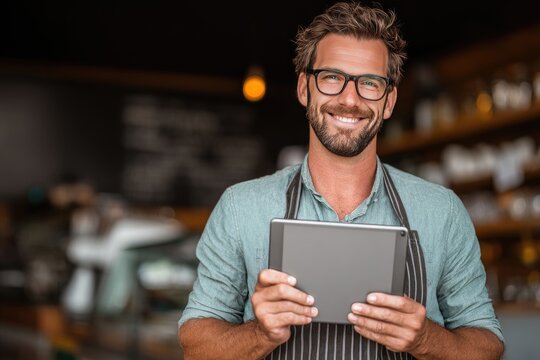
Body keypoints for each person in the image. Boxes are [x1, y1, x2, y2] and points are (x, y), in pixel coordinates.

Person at [178, 2, 504, 359]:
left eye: (370, 82)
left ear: (389, 100)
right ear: (305, 88)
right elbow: (195, 346)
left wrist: (425, 339)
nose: (350, 99)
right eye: (332, 77)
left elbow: (488, 347)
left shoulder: (442, 212)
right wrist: (260, 332)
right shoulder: (241, 208)